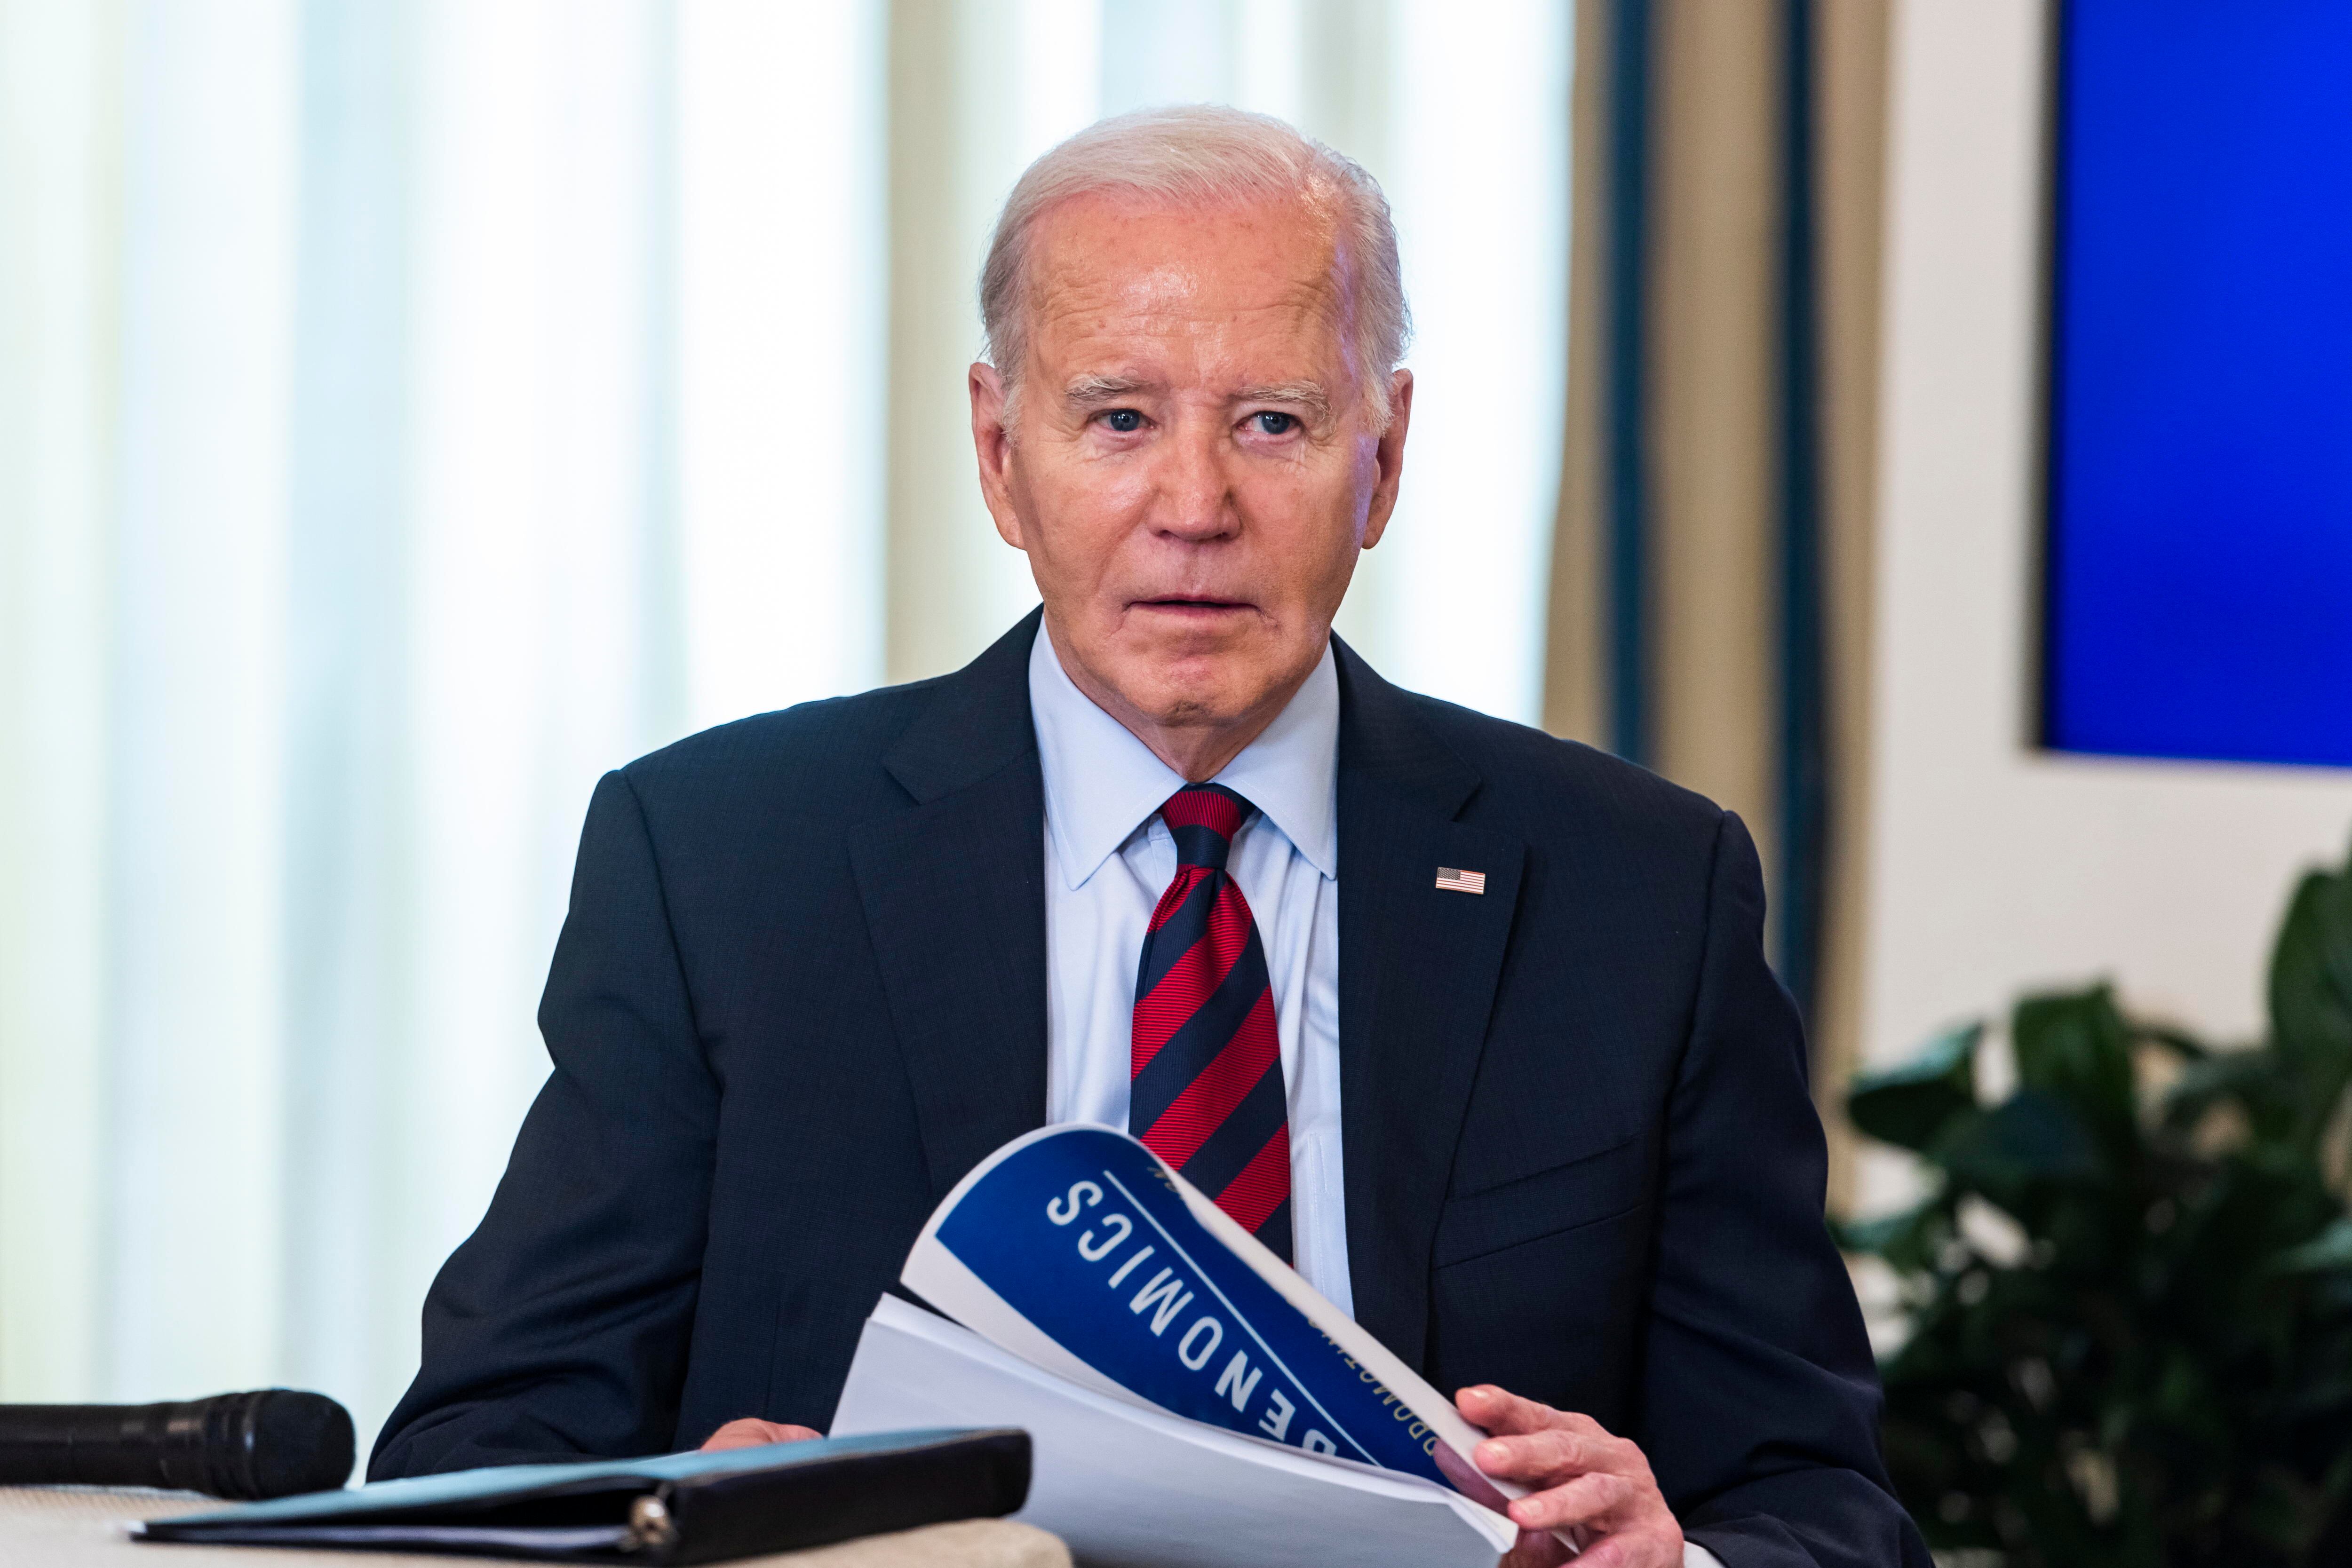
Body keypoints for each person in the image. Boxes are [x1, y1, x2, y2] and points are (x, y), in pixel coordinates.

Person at [370, 107, 1927, 1568]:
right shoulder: (720, 862)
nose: (1196, 504)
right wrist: (683, 1520)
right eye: (1118, 419)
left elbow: (1825, 1503)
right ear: (999, 453)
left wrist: (1686, 1555)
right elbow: (473, 1455)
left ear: (1383, 456)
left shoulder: (1636, 891)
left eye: (1272, 421)